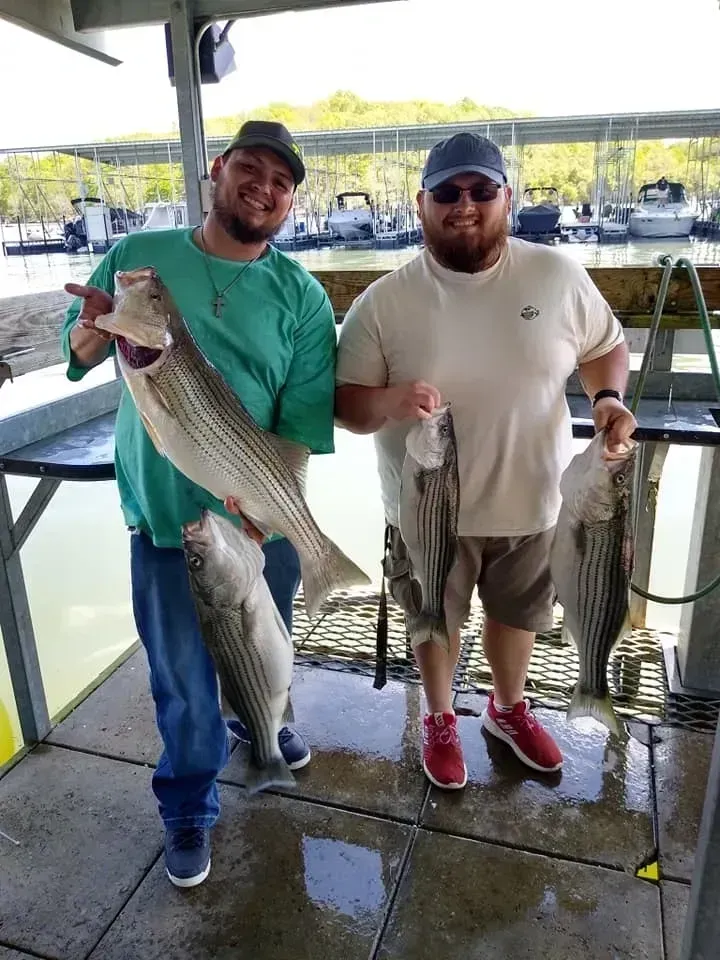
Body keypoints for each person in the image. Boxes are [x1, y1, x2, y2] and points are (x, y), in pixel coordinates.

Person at [60, 120, 337, 886]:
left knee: (261, 646)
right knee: (182, 679)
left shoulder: (303, 297)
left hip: (262, 516)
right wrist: (94, 331)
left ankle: (264, 727)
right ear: (218, 170)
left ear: (289, 203)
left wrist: (280, 509)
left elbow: (303, 421)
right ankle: (188, 804)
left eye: (282, 182)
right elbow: (79, 353)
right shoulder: (138, 262)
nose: (265, 187)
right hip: (162, 518)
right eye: (250, 168)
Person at [334, 131, 637, 790]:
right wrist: (389, 398)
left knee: (518, 615)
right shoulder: (384, 301)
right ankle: (440, 718)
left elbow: (606, 343)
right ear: (421, 204)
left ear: (507, 198)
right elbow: (348, 410)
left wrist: (608, 397)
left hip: (537, 499)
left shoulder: (555, 274)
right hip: (426, 513)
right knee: (430, 619)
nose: (463, 206)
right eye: (447, 192)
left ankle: (506, 709)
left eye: (480, 191)